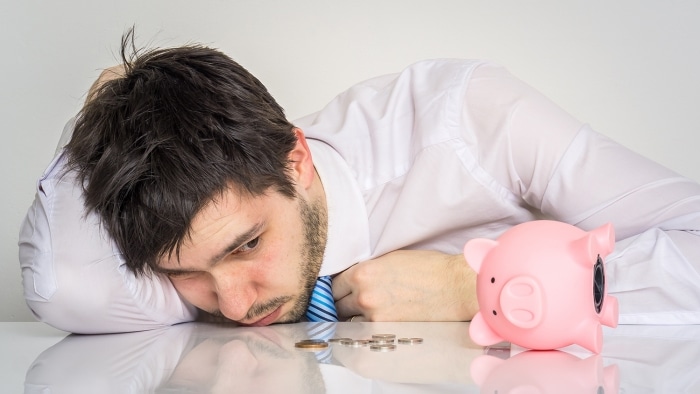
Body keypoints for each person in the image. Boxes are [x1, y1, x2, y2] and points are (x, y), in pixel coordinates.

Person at [19, 32, 700, 334]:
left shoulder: (467, 119)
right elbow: (59, 284)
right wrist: (100, 123)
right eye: (187, 275)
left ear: (297, 160)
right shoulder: (202, 256)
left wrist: (478, 289)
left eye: (248, 244)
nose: (230, 305)